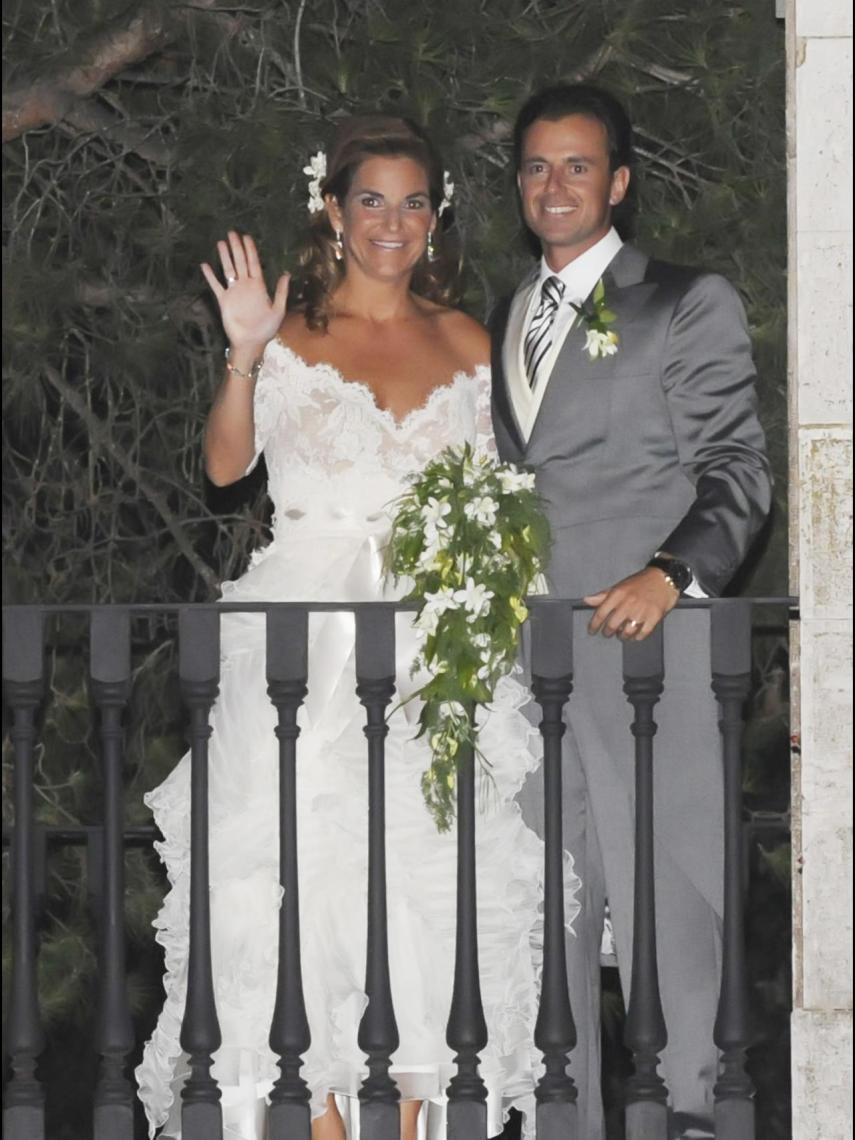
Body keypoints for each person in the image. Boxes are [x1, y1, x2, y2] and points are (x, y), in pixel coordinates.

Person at [135, 115, 579, 1140]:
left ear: (439, 215)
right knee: (299, 876)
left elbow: (507, 491)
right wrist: (245, 354)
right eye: (370, 199)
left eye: (415, 201)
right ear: (332, 210)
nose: (394, 221)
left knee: (433, 877)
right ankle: (321, 1119)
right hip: (304, 644)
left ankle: (421, 1119)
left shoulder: (469, 338)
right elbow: (222, 469)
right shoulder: (290, 336)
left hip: (431, 641)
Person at [490, 84, 773, 1139]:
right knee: (548, 920)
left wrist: (673, 574)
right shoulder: (506, 313)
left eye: (576, 166)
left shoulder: (683, 301)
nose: (553, 185)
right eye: (534, 167)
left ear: (617, 182)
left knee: (671, 913)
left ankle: (691, 1116)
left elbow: (740, 469)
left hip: (646, 651)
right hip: (531, 668)